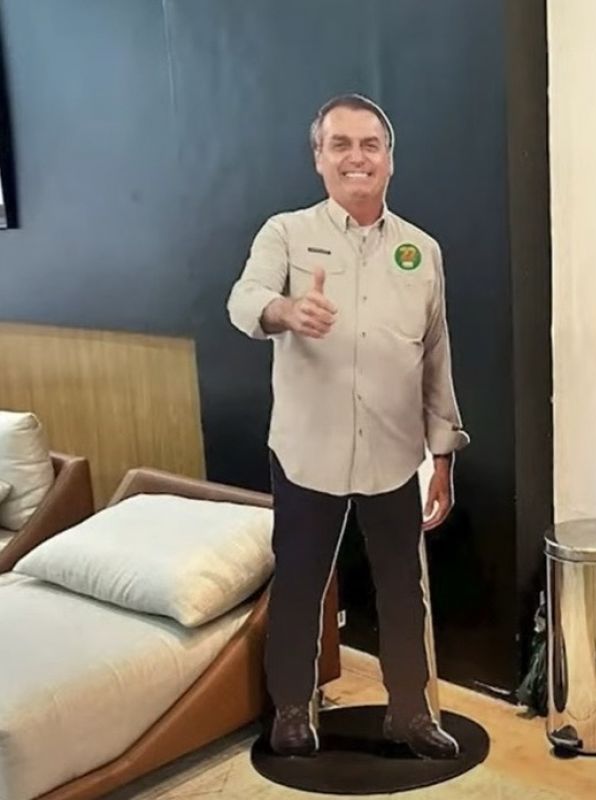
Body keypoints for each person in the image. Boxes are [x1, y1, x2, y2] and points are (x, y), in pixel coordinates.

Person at [226, 93, 469, 760]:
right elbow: (243, 300)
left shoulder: (422, 250)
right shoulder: (285, 233)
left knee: (403, 590)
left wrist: (443, 456)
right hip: (308, 451)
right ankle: (292, 711)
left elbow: (436, 356)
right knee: (300, 583)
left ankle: (411, 713)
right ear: (318, 158)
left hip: (395, 452)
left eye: (370, 144)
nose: (356, 157)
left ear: (389, 159)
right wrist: (285, 311)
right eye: (340, 144)